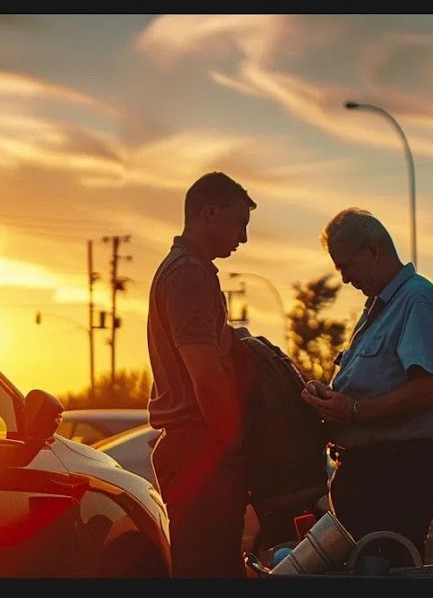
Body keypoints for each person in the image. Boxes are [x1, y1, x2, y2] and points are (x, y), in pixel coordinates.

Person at [300, 207, 433, 567]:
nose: (344, 279)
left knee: (383, 571)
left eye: (346, 266)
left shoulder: (417, 301)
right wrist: (330, 399)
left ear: (374, 250)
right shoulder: (380, 307)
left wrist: (354, 412)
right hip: (371, 471)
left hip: (395, 473)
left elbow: (431, 390)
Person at [145, 171, 256, 578]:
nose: (243, 238)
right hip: (199, 450)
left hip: (195, 448)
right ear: (210, 212)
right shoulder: (188, 275)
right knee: (209, 570)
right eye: (239, 223)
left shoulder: (189, 271)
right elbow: (206, 380)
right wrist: (235, 444)